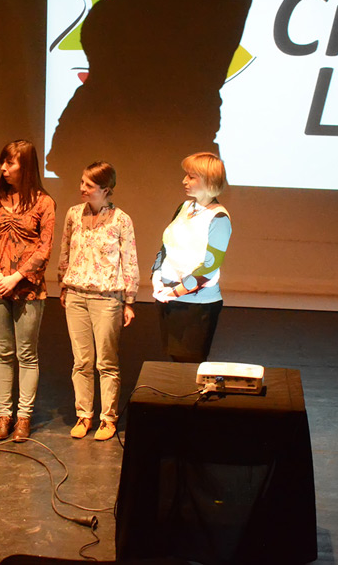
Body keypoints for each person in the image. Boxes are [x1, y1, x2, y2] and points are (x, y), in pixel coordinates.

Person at [0, 140, 56, 442]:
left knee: (26, 353)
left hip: (27, 287)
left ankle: (23, 417)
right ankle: (4, 415)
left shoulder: (44, 203)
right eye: (3, 162)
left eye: (9, 163)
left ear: (25, 167)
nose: (3, 168)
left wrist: (15, 277)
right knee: (2, 352)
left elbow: (45, 247)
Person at [58, 162, 138, 441]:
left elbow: (129, 260)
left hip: (107, 298)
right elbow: (65, 250)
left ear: (106, 189)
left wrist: (129, 300)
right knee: (81, 361)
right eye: (82, 182)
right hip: (76, 294)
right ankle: (84, 415)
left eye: (89, 185)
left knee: (106, 362)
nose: (82, 188)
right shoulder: (73, 214)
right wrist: (63, 284)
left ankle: (108, 418)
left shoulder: (121, 220)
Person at [152, 152, 231, 362]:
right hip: (169, 298)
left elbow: (209, 268)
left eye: (191, 177)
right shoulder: (184, 207)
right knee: (175, 363)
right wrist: (157, 278)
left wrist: (175, 292)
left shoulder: (218, 217)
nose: (184, 181)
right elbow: (166, 246)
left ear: (208, 181)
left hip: (196, 305)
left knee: (189, 365)